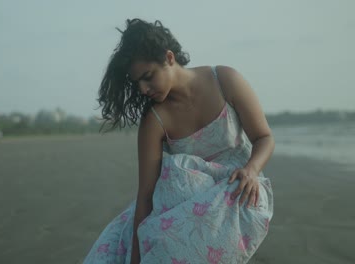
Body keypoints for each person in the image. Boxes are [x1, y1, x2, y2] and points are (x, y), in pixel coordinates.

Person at [83, 18, 275, 264]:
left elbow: (264, 137)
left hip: (237, 192)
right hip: (183, 208)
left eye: (148, 76)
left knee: (179, 173)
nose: (143, 89)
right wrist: (136, 259)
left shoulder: (224, 80)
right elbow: (147, 194)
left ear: (169, 57)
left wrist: (251, 169)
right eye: (137, 83)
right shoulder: (155, 120)